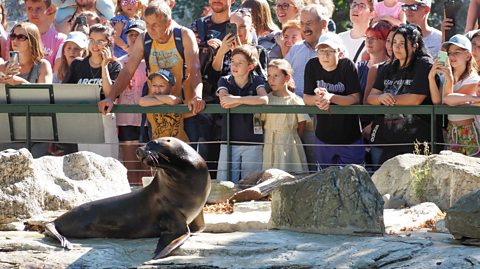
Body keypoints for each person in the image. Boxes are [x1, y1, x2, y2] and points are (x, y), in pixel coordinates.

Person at [97, 1, 205, 116]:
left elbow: (195, 70)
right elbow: (128, 71)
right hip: (155, 111)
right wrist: (111, 97)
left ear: (168, 23)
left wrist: (197, 96)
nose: (150, 29)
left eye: (155, 25)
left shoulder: (184, 35)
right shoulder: (144, 38)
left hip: (184, 108)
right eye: (147, 24)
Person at [367, 24, 435, 163]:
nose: (396, 47)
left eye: (402, 43)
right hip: (384, 138)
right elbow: (371, 98)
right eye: (394, 42)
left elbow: (416, 98)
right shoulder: (387, 66)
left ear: (415, 45)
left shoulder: (424, 64)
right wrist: (381, 97)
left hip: (415, 140)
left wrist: (389, 100)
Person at [303, 32, 364, 169]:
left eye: (330, 51)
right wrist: (318, 100)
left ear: (340, 53)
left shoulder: (347, 66)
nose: (325, 55)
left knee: (355, 179)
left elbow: (355, 99)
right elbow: (307, 98)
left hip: (350, 137)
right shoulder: (312, 66)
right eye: (321, 51)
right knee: (324, 180)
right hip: (323, 136)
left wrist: (331, 97)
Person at [64, 23, 121, 158]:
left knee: (106, 163)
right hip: (82, 119)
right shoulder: (77, 64)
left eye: (100, 41)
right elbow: (66, 91)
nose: (95, 45)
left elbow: (109, 95)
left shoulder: (115, 66)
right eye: (92, 40)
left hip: (104, 119)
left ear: (108, 43)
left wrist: (104, 66)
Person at [216, 45, 268, 182]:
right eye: (233, 61)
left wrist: (237, 100)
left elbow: (263, 99)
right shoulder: (224, 80)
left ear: (251, 66)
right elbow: (224, 100)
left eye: (240, 63)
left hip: (253, 140)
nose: (235, 65)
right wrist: (249, 101)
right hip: (229, 140)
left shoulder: (257, 80)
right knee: (224, 182)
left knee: (251, 182)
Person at [429, 34, 480, 156]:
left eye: (457, 52)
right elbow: (437, 101)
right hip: (452, 131)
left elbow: (448, 99)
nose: (452, 56)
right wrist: (431, 77)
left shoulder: (474, 79)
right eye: (449, 52)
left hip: (470, 131)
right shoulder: (446, 76)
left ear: (468, 56)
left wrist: (449, 80)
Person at [262, 59, 310, 173]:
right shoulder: (266, 100)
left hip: (289, 144)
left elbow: (301, 124)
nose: (271, 80)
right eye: (269, 75)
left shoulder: (295, 100)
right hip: (269, 143)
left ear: (287, 78)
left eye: (276, 76)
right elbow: (262, 121)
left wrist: (289, 136)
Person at [116, 22, 147, 185]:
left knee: (148, 167)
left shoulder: (152, 60)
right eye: (130, 34)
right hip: (126, 119)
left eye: (138, 34)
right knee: (131, 168)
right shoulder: (119, 62)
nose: (134, 38)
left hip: (147, 119)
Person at [8, 0, 66, 72]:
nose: (34, 13)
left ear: (49, 9)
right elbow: (8, 65)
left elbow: (56, 76)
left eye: (38, 9)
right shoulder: (13, 36)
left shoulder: (60, 40)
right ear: (25, 8)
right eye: (30, 8)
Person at [138, 68, 188, 141]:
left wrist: (154, 97)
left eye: (161, 86)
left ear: (172, 87)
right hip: (158, 145)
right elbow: (141, 101)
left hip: (178, 145)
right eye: (154, 85)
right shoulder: (148, 99)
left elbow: (172, 100)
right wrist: (161, 99)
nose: (157, 89)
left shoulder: (178, 98)